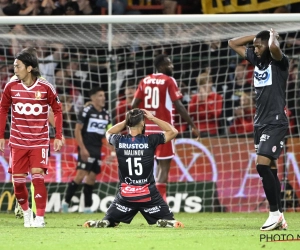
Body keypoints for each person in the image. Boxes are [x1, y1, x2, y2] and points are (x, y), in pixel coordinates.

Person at [228, 29, 289, 231]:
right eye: (254, 46)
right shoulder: (258, 60)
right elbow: (232, 43)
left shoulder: (280, 61)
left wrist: (272, 37)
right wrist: (255, 36)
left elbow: (272, 47)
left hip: (276, 121)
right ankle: (279, 215)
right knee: (270, 168)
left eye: (258, 45)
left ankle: (273, 214)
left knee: (261, 164)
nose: (255, 49)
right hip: (259, 122)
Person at [83, 108, 184, 228]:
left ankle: (108, 221)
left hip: (125, 196)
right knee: (168, 218)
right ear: (143, 123)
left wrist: (126, 121)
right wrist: (152, 118)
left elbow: (108, 132)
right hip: (148, 195)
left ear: (128, 123)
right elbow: (173, 131)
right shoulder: (150, 140)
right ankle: (167, 221)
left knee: (111, 219)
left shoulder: (119, 140)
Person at [0, 47, 63, 227]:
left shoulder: (45, 87)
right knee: (18, 183)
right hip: (17, 141)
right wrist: (1, 135)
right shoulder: (11, 86)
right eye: (14, 66)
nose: (14, 69)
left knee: (38, 177)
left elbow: (57, 109)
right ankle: (27, 213)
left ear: (29, 68)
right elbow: (3, 109)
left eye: (17, 66)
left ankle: (40, 218)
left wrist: (58, 135)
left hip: (39, 141)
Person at [131, 54, 200, 201]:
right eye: (169, 64)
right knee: (164, 166)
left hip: (146, 130)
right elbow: (179, 106)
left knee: (149, 167)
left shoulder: (145, 80)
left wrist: (136, 124)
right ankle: (161, 202)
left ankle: (144, 198)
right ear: (161, 66)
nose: (172, 66)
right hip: (164, 129)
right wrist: (192, 125)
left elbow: (134, 104)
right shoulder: (169, 80)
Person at [62, 87, 111, 213]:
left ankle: (87, 208)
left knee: (92, 178)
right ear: (93, 98)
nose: (103, 98)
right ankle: (65, 203)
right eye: (100, 95)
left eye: (104, 95)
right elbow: (77, 130)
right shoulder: (86, 110)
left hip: (97, 149)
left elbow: (109, 133)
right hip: (86, 147)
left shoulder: (106, 114)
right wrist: (82, 148)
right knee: (81, 175)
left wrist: (113, 151)